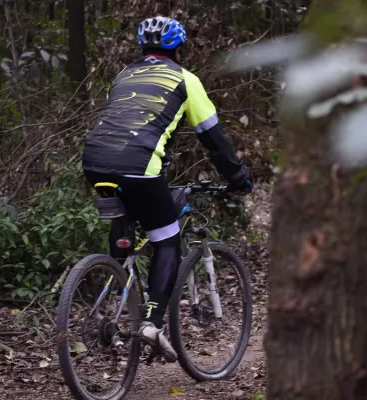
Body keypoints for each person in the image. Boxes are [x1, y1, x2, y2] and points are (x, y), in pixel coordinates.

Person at [82, 16, 253, 362]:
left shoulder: (122, 76)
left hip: (94, 161)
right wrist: (238, 179)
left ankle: (119, 276)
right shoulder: (186, 80)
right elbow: (214, 140)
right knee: (168, 240)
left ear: (143, 48)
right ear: (178, 48)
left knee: (127, 224)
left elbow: (123, 119)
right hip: (140, 166)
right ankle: (152, 323)